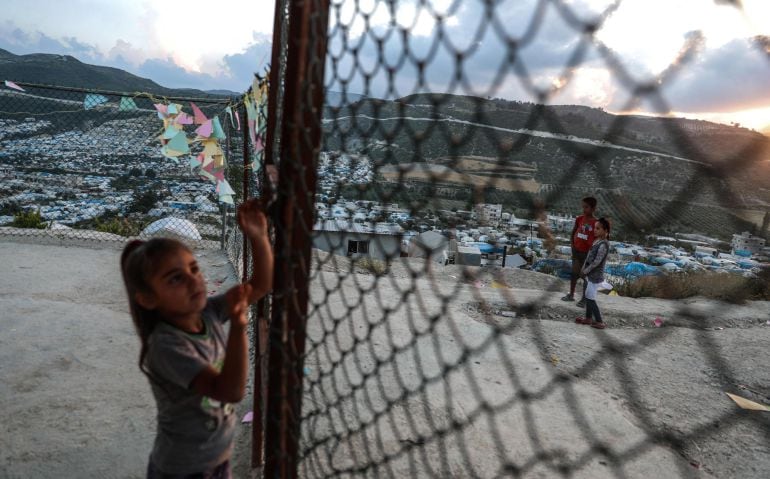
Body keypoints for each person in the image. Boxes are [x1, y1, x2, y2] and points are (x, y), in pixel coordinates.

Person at [120, 198, 273, 478]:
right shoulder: (165, 346)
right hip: (182, 469)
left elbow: (261, 285)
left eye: (194, 268)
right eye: (175, 279)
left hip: (216, 460)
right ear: (148, 299)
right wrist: (239, 328)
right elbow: (229, 391)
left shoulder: (210, 311)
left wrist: (258, 236)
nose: (194, 281)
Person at [561, 196, 597, 308]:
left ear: (593, 208)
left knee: (585, 276)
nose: (584, 209)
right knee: (574, 273)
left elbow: (597, 239)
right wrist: (572, 246)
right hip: (577, 252)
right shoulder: (579, 219)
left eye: (586, 207)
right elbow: (573, 232)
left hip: (588, 254)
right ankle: (571, 294)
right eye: (583, 207)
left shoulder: (596, 223)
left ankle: (584, 299)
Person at [575, 217, 611, 329]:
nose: (595, 230)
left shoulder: (604, 244)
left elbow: (596, 262)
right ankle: (588, 318)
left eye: (598, 228)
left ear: (605, 231)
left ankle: (599, 321)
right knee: (588, 295)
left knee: (590, 297)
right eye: (595, 228)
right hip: (589, 274)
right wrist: (583, 269)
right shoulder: (597, 241)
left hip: (594, 276)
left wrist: (585, 271)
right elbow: (589, 258)